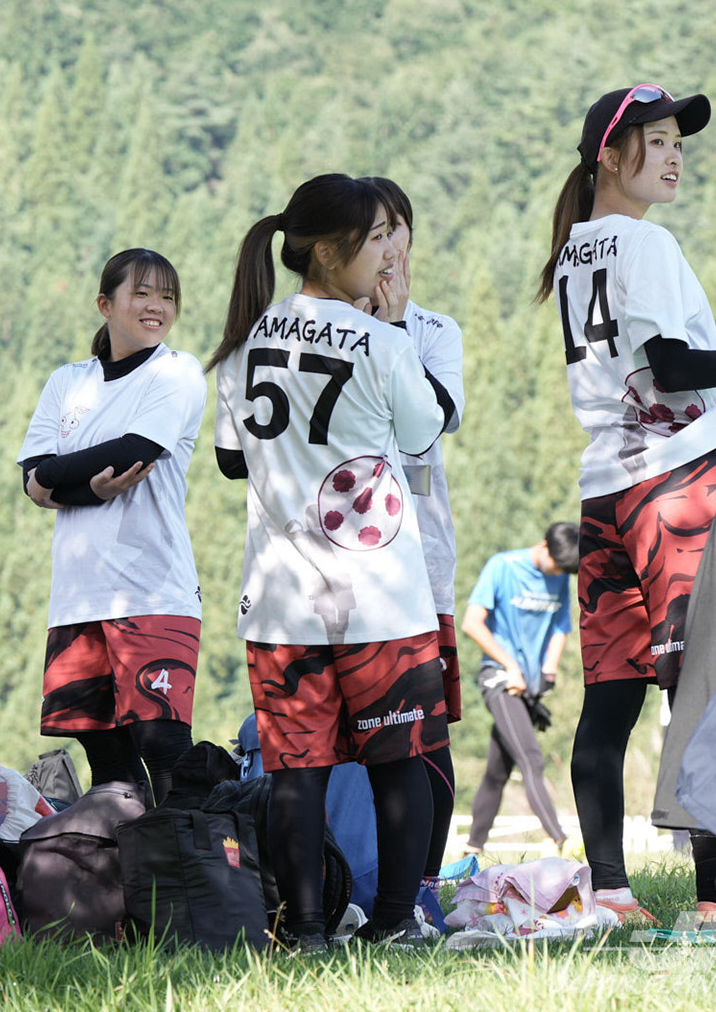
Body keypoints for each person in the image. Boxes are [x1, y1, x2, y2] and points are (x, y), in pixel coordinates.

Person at [537, 85, 716, 923]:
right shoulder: (647, 242)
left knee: (612, 695)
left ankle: (610, 892)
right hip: (674, 494)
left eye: (678, 142)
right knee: (704, 685)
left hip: (608, 491)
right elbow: (670, 367)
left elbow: (642, 383)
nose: (674, 156)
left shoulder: (573, 251)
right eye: (657, 140)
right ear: (610, 155)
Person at [210, 173, 449, 953]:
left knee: (296, 771)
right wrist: (393, 328)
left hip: (281, 599)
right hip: (379, 592)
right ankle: (393, 922)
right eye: (373, 238)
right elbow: (421, 437)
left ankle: (305, 929)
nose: (387, 253)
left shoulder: (246, 339)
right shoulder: (385, 341)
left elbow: (231, 460)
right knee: (397, 762)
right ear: (326, 251)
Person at [17, 249, 207, 804]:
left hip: (153, 590)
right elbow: (31, 475)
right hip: (77, 596)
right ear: (105, 304)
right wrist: (90, 490)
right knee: (106, 760)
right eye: (141, 293)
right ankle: (127, 861)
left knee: (163, 744)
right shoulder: (67, 381)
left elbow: (135, 451)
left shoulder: (176, 371)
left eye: (167, 296)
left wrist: (55, 482)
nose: (156, 307)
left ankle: (188, 860)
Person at [361, 176, 465, 908]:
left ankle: (421, 889)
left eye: (395, 229)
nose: (387, 246)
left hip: (418, 559)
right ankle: (359, 876)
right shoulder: (328, 327)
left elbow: (437, 414)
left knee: (423, 731)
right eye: (372, 234)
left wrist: (395, 327)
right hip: (340, 564)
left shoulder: (433, 329)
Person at [460, 524, 579, 856]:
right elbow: (471, 623)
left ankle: (472, 849)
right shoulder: (503, 566)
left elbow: (560, 627)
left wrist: (548, 673)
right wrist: (510, 665)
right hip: (500, 679)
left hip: (528, 687)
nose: (559, 573)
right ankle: (560, 840)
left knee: (497, 770)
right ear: (544, 546)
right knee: (531, 759)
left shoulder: (561, 576)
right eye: (557, 565)